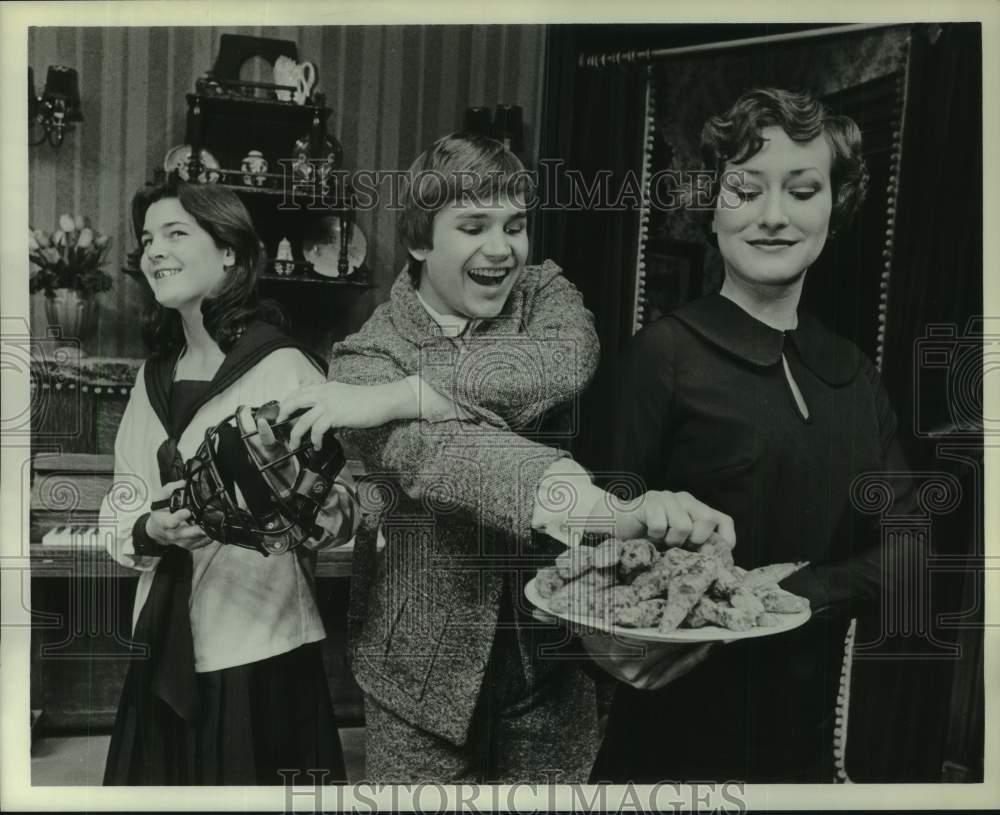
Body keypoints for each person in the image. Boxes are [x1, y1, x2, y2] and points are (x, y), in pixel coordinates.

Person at [277, 133, 736, 782]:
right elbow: (446, 455)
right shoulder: (363, 358)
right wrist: (605, 516)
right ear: (419, 240)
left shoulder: (545, 294)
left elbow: (563, 358)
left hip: (550, 666)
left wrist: (408, 393)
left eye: (515, 225)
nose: (502, 249)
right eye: (473, 225)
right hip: (417, 679)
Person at [591, 87, 915, 783]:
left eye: (802, 190)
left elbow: (909, 551)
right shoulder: (663, 357)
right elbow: (596, 545)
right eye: (745, 189)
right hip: (670, 749)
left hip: (803, 752)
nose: (773, 216)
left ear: (836, 206)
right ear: (712, 204)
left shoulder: (855, 376)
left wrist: (798, 590)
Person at [101, 178, 356, 785]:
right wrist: (151, 526)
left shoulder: (284, 366)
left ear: (230, 253)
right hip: (164, 647)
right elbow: (122, 501)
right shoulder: (152, 378)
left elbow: (344, 508)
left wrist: (317, 512)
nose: (154, 250)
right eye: (147, 240)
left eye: (176, 233)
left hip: (260, 651)